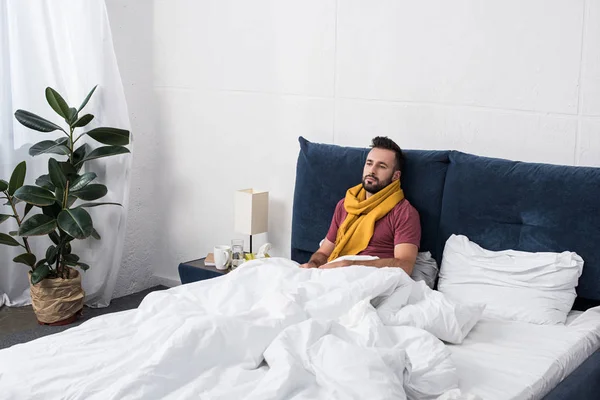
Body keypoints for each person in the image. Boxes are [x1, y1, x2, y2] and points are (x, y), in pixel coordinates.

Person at [300, 136, 421, 275]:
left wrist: (350, 265)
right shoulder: (345, 204)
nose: (372, 171)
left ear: (395, 176)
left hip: (372, 278)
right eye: (369, 163)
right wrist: (313, 264)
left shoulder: (404, 212)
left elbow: (405, 265)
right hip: (334, 273)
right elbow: (323, 252)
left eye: (381, 166)